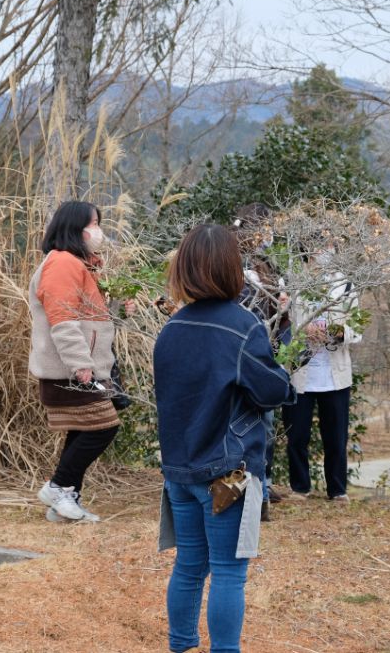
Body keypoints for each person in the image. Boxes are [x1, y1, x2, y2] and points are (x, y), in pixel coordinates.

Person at [154, 224, 295, 653]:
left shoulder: (171, 330)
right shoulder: (242, 327)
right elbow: (272, 391)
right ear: (231, 269)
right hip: (228, 474)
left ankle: (180, 647)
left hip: (180, 472)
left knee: (189, 567)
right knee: (229, 573)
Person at [28, 200, 125, 523]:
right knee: (102, 427)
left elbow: (90, 317)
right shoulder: (62, 263)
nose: (97, 230)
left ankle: (65, 502)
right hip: (70, 371)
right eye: (93, 224)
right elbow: (63, 320)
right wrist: (81, 365)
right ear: (74, 227)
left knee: (82, 429)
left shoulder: (79, 264)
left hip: (77, 369)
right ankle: (57, 488)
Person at [281, 241, 361, 502]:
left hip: (335, 373)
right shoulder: (294, 281)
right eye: (319, 246)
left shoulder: (345, 284)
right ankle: (300, 487)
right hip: (301, 370)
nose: (324, 252)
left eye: (329, 245)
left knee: (336, 436)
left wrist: (335, 332)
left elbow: (357, 328)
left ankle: (337, 490)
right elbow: (285, 321)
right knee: (297, 434)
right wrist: (302, 329)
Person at [230, 202, 290, 520]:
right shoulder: (231, 262)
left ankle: (260, 491)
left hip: (264, 352)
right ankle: (242, 494)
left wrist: (281, 305)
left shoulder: (266, 265)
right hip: (241, 354)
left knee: (262, 427)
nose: (271, 235)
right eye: (267, 228)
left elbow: (281, 319)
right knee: (244, 428)